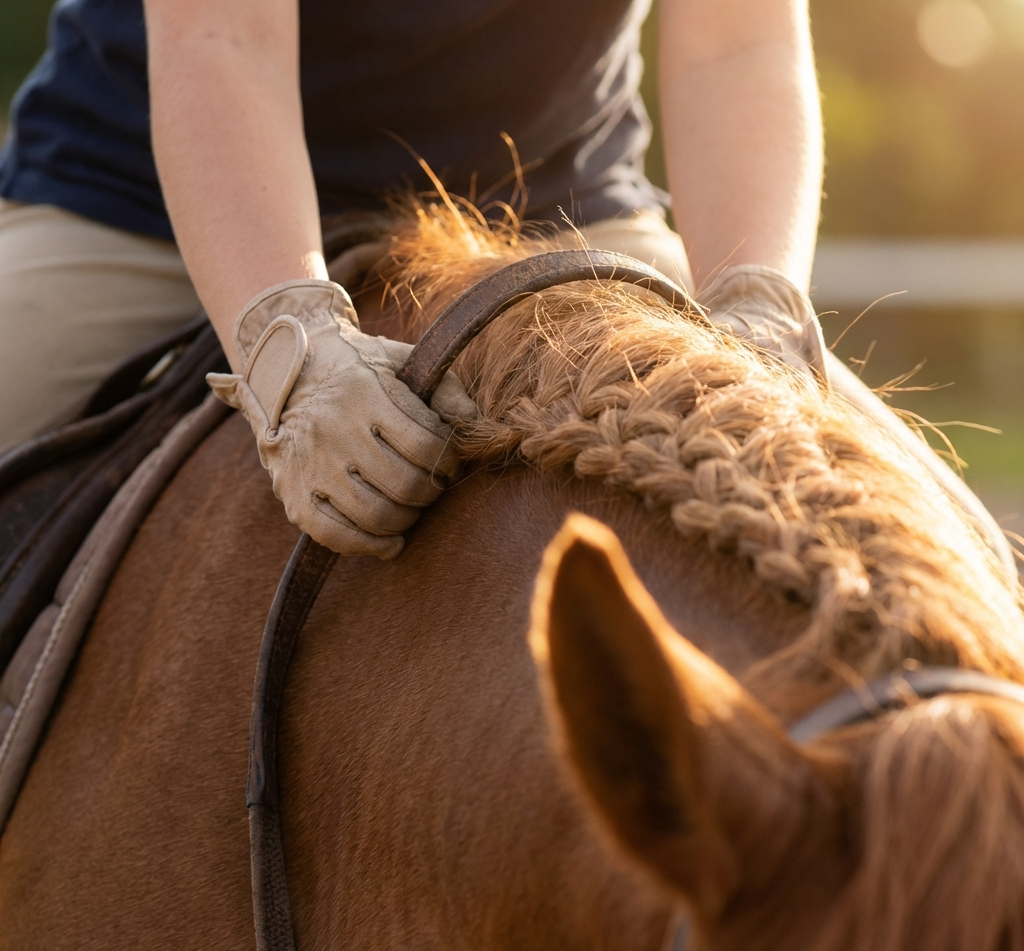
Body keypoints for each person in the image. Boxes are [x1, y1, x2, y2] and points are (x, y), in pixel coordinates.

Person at [0, 0, 825, 557]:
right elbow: (223, 37)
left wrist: (757, 306)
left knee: (898, 517)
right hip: (148, 209)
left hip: (554, 213)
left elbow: (740, 43)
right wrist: (289, 339)